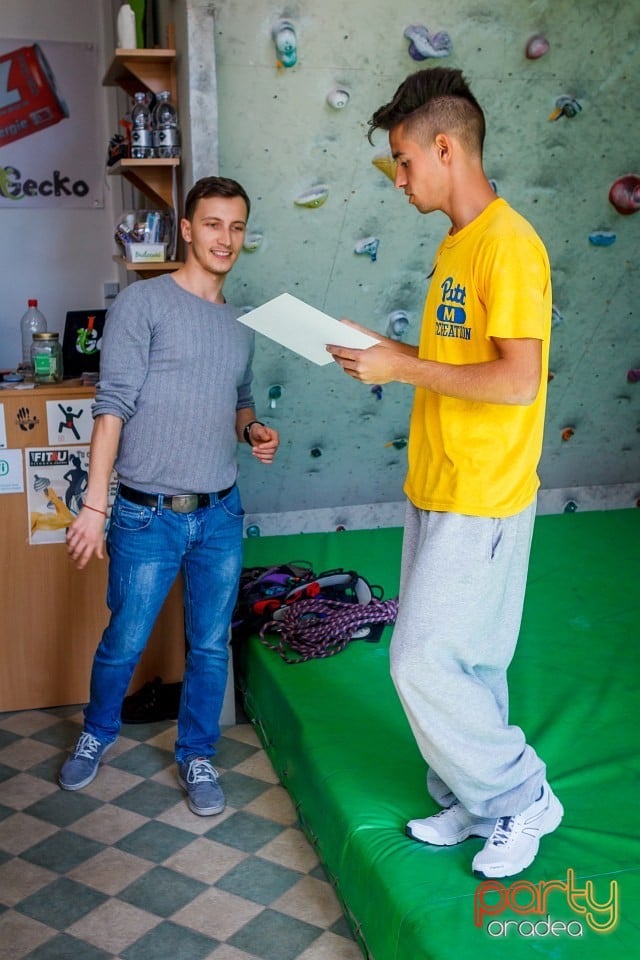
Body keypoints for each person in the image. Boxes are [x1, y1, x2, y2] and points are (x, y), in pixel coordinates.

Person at [327, 67, 561, 879]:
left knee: (416, 660)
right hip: (437, 483)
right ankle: (474, 795)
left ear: (446, 146)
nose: (399, 178)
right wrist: (386, 356)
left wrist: (403, 368)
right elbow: (457, 364)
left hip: (485, 493)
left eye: (403, 160)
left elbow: (517, 381)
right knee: (470, 661)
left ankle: (522, 795)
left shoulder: (510, 245)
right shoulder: (457, 246)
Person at [60, 176, 279, 816]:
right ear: (186, 229)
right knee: (125, 640)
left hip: (219, 514)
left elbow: (238, 405)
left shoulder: (241, 324)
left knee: (211, 644)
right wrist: (95, 507)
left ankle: (197, 753)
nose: (226, 239)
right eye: (213, 224)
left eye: (236, 227)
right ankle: (97, 732)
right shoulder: (143, 304)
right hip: (145, 514)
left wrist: (256, 431)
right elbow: (111, 409)